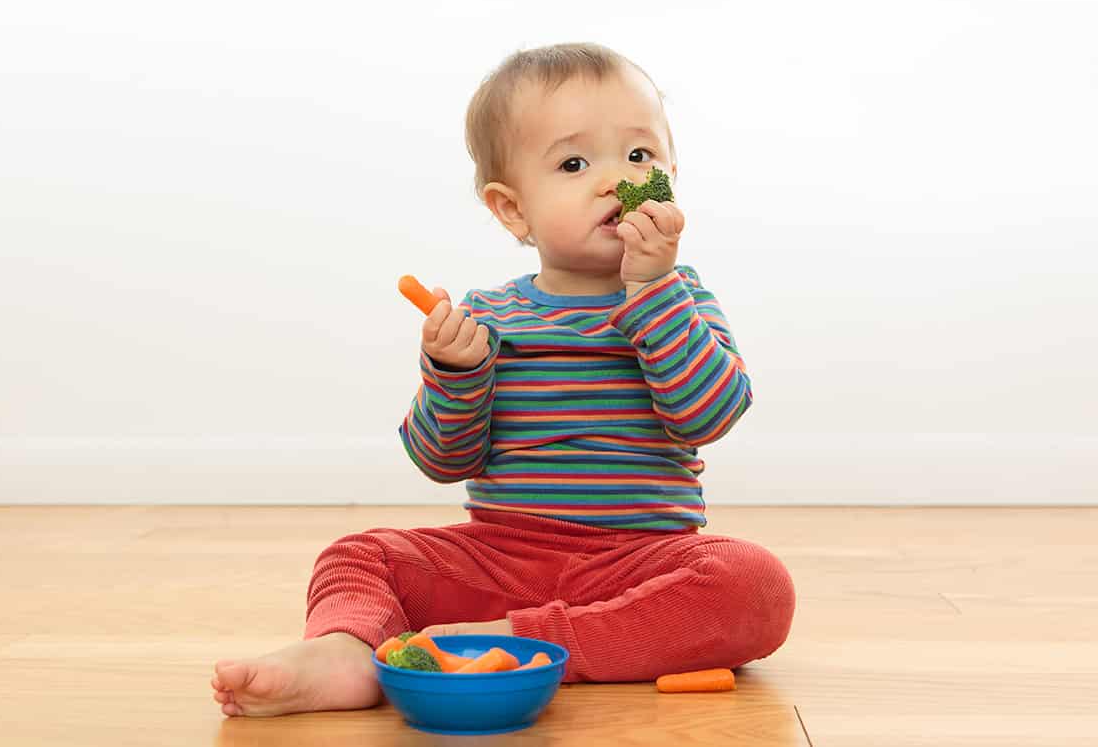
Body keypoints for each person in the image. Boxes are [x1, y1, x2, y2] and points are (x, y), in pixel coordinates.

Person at [211, 42, 795, 718]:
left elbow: (708, 418)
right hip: (499, 558)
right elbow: (441, 460)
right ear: (512, 211)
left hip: (642, 561)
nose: (616, 181)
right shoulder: (489, 315)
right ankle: (344, 652)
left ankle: (523, 641)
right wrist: (456, 374)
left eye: (641, 158)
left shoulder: (680, 298)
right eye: (575, 164)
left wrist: (653, 291)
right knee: (358, 554)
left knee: (755, 585)